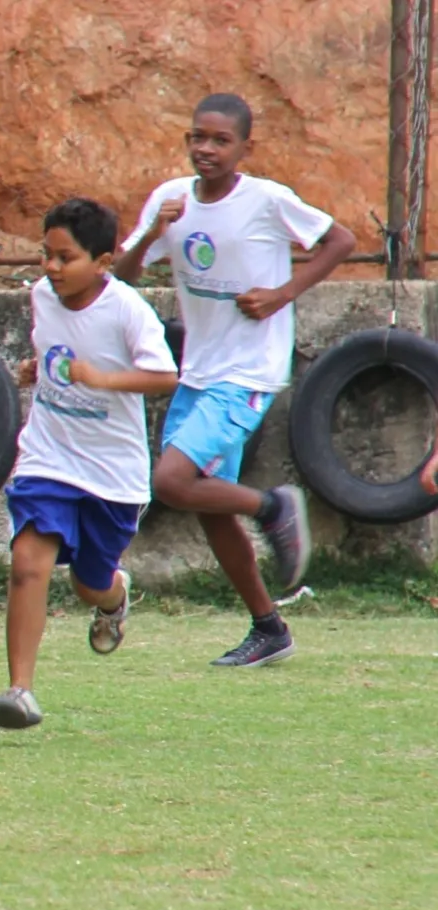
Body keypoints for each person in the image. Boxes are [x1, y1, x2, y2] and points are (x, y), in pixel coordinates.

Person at [111, 92, 355, 667]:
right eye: (198, 137)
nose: (206, 149)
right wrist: (152, 236)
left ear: (245, 148)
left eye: (220, 140)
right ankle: (269, 628)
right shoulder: (170, 201)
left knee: (170, 481)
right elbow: (121, 278)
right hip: (198, 372)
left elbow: (340, 240)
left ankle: (272, 507)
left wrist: (281, 294)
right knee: (208, 508)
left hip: (248, 372)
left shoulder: (267, 200)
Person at [0, 197, 178, 730]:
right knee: (28, 562)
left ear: (103, 260)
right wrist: (36, 369)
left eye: (64, 258)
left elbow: (164, 377)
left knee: (88, 582)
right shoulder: (41, 298)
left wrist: (102, 379)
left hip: (111, 474)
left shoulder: (126, 310)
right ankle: (19, 691)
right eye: (46, 255)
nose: (51, 268)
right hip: (48, 457)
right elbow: (54, 355)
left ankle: (113, 598)